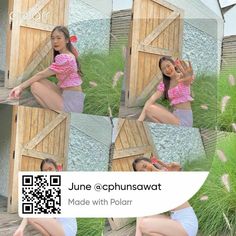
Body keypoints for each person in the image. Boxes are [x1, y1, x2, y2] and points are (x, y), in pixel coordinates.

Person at [9, 26, 85, 113]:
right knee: (40, 81)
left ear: (67, 40)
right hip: (71, 98)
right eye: (52, 38)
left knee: (35, 86)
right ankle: (54, 108)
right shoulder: (69, 53)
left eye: (59, 38)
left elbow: (40, 74)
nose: (55, 41)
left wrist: (20, 87)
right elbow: (42, 76)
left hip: (72, 107)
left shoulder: (65, 58)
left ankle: (54, 113)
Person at [133, 157, 198, 236]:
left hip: (187, 225)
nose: (145, 171)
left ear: (151, 163)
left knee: (144, 224)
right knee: (143, 218)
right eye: (141, 172)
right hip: (176, 221)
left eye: (145, 166)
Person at [13, 158, 77, 236]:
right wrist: (21, 228)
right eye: (45, 171)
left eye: (50, 169)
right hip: (58, 226)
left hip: (67, 229)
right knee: (31, 217)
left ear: (56, 170)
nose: (48, 172)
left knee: (32, 216)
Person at [138, 56, 194, 127]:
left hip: (184, 120)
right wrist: (140, 118)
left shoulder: (182, 77)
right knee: (150, 107)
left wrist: (189, 76)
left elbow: (188, 80)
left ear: (173, 64)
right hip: (174, 117)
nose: (167, 69)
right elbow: (151, 100)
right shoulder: (164, 84)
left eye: (168, 66)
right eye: (163, 68)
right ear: (162, 72)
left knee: (150, 109)